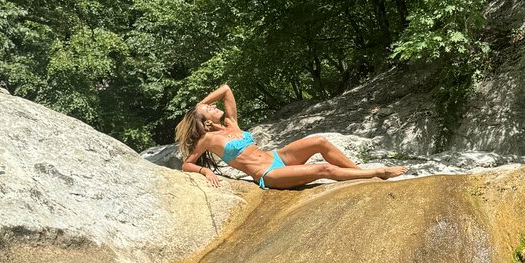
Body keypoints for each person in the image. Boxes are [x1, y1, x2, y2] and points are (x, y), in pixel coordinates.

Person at [174, 83, 407, 190]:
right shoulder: (208, 140)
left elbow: (226, 89)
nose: (214, 107)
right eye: (209, 110)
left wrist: (201, 103)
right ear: (205, 122)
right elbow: (187, 164)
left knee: (320, 141)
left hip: (278, 157)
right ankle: (376, 173)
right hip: (269, 174)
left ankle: (358, 174)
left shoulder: (230, 123)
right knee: (322, 169)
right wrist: (204, 171)